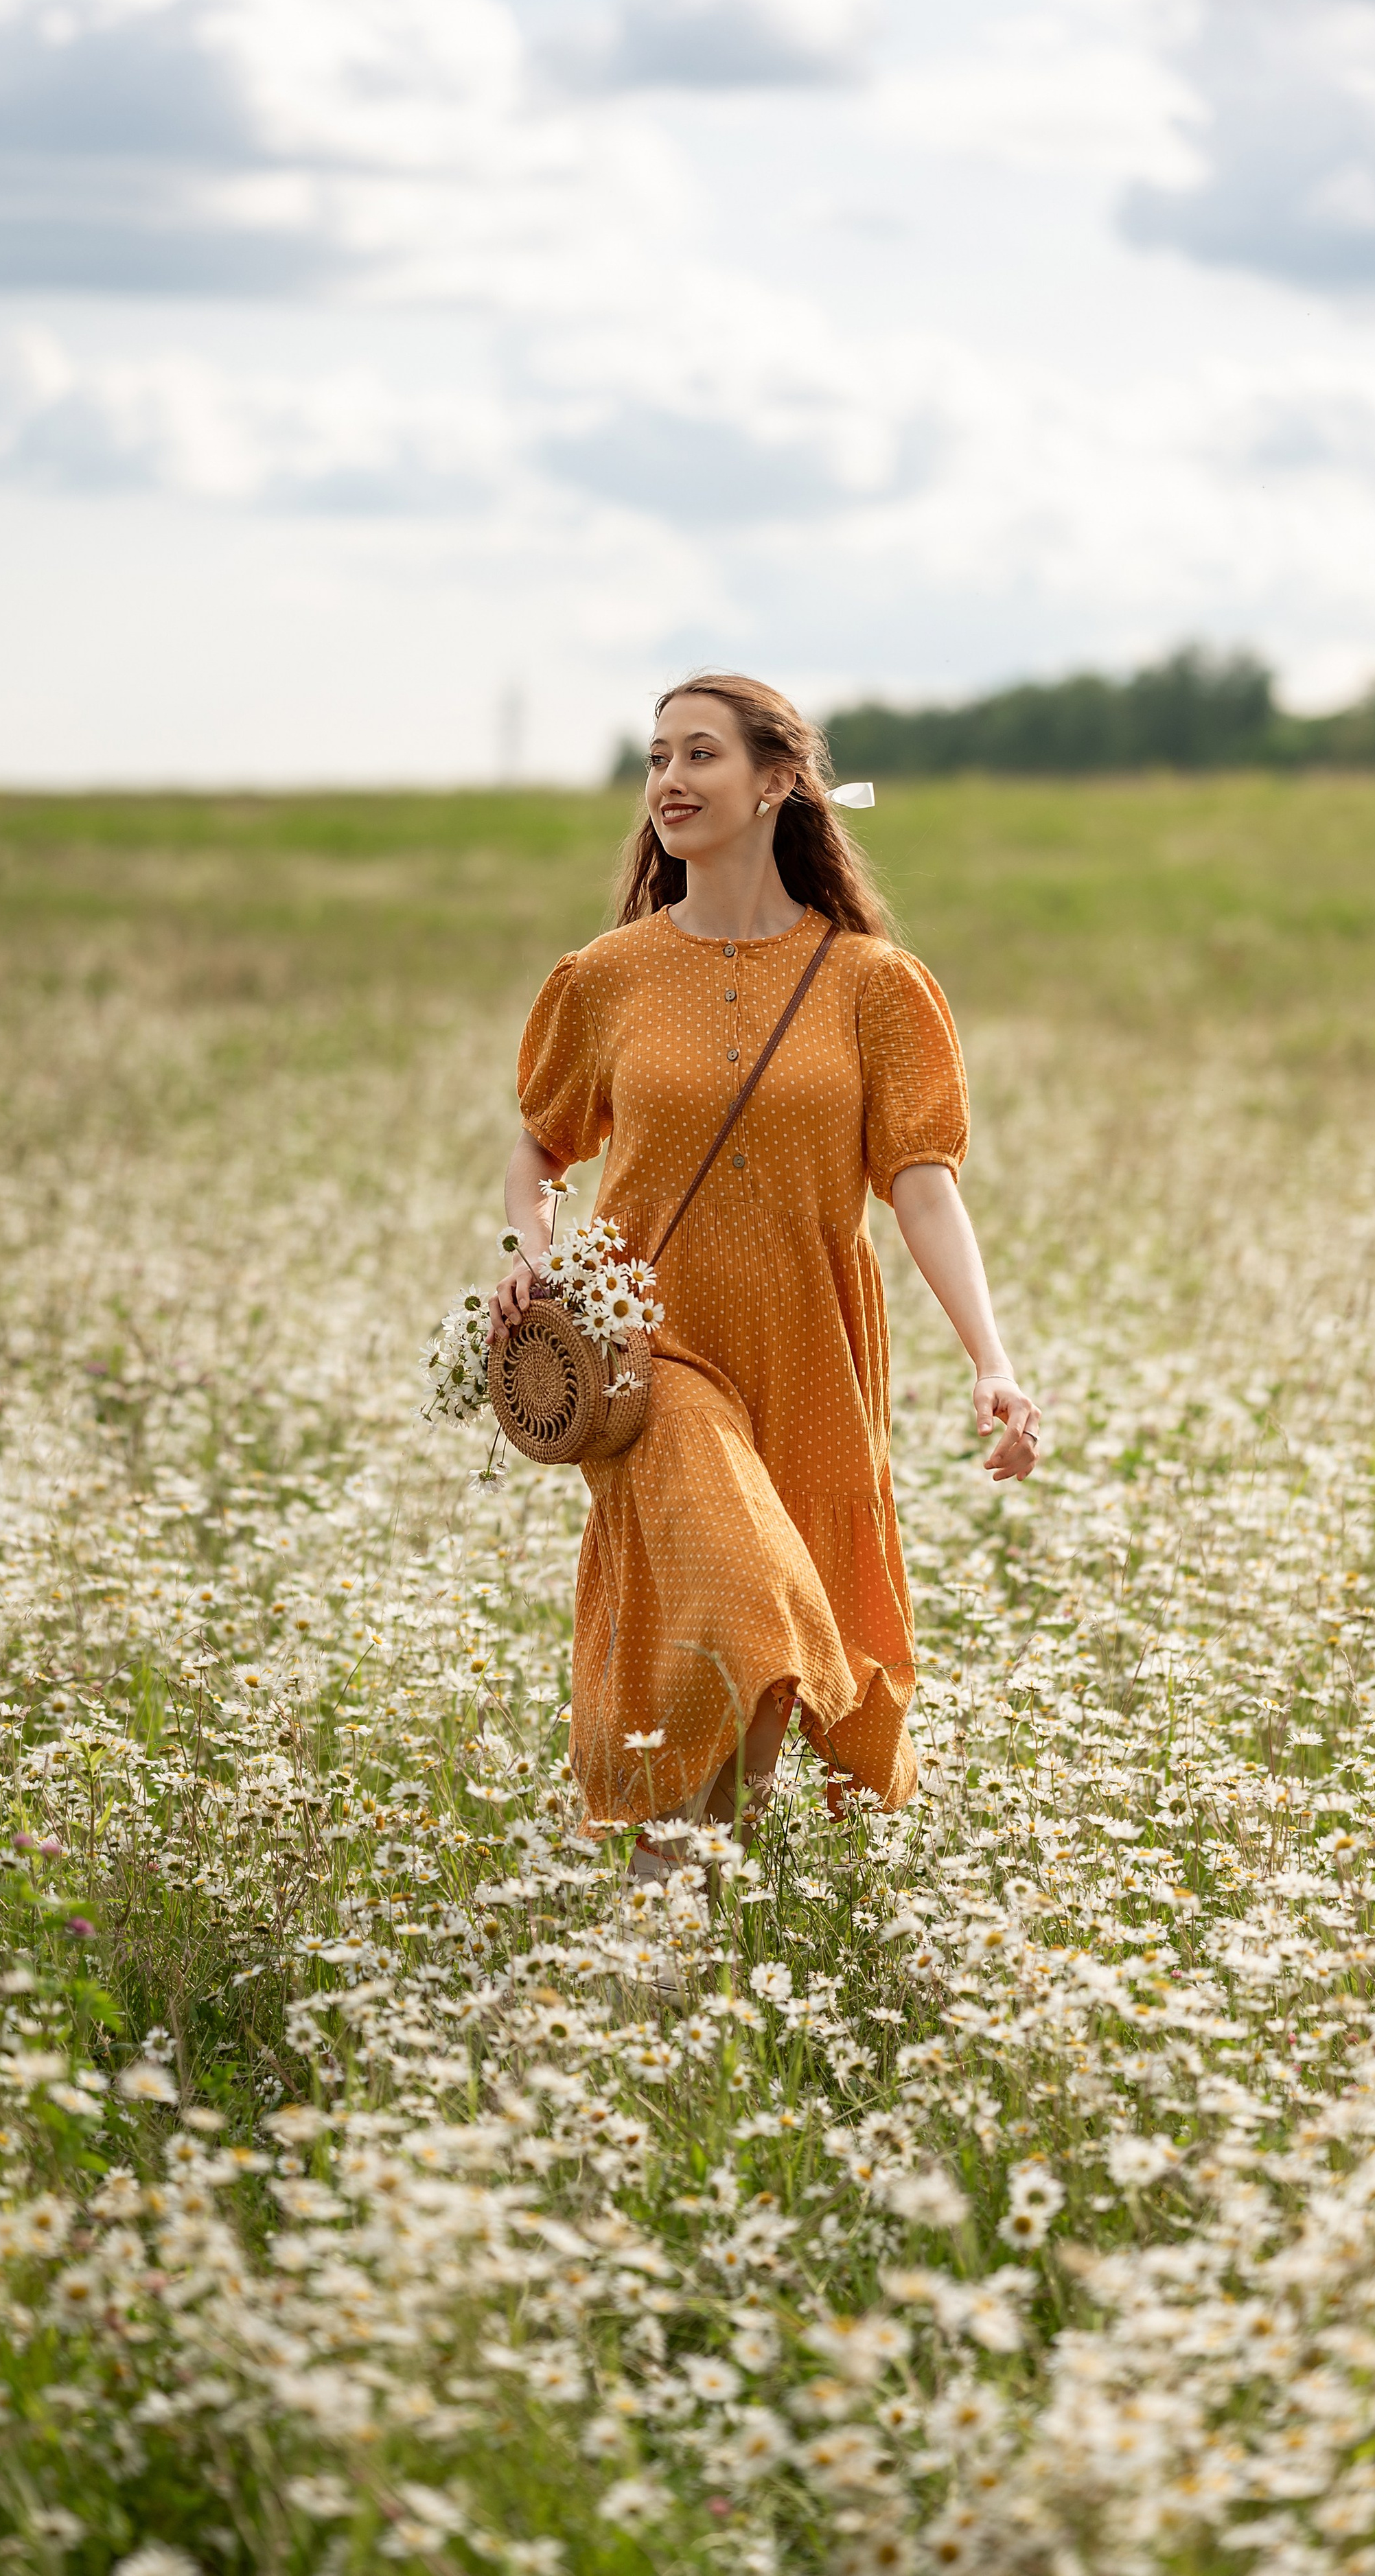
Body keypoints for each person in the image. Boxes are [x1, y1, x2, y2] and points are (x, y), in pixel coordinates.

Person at [489, 673, 1039, 1878]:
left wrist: (991, 1364)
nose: (670, 783)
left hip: (812, 1356)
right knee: (743, 1598)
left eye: (700, 756)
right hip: (649, 1355)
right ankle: (663, 1915)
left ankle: (668, 1928)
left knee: (772, 1658)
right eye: (656, 759)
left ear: (779, 781)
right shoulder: (609, 976)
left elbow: (923, 1182)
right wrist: (531, 1252)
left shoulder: (872, 985)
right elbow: (541, 1139)